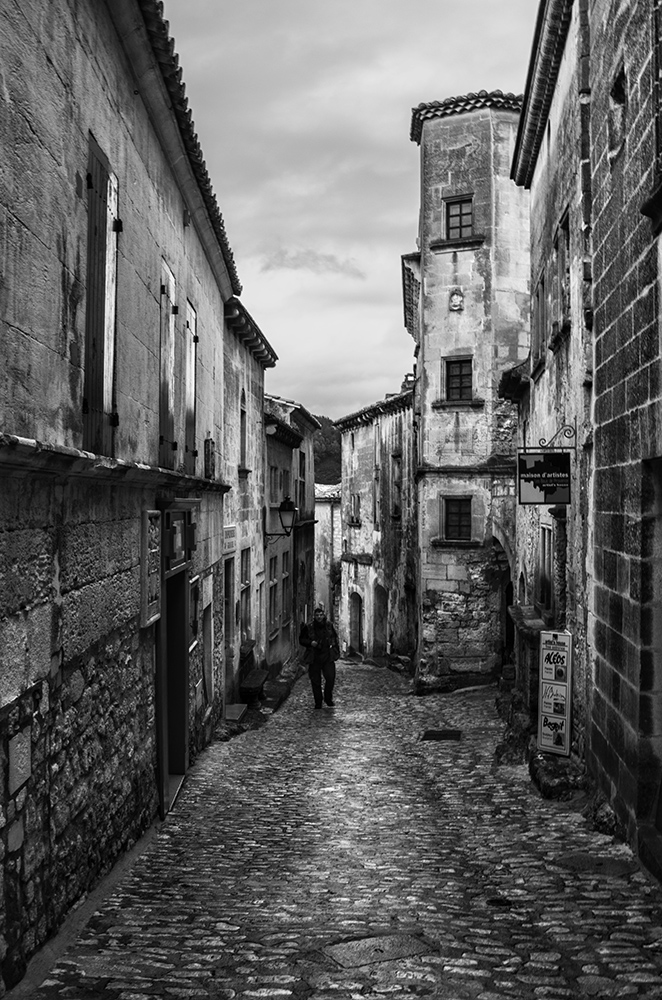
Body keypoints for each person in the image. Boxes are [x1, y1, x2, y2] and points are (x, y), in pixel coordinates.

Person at [299, 605, 340, 709]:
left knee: (330, 678)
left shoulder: (329, 626)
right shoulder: (309, 627)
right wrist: (310, 643)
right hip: (314, 657)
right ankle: (318, 702)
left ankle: (328, 698)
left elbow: (335, 638)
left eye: (321, 615)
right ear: (314, 616)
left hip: (328, 657)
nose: (319, 617)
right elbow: (301, 640)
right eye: (317, 615)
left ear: (324, 615)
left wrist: (336, 652)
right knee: (315, 681)